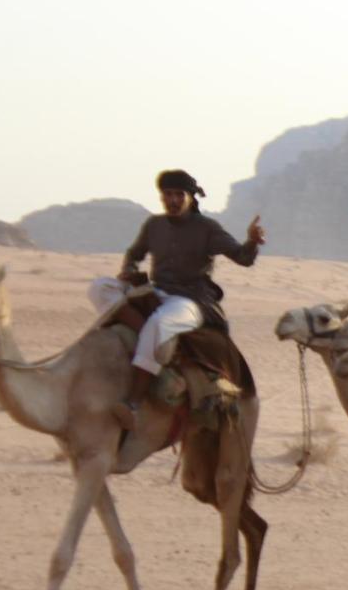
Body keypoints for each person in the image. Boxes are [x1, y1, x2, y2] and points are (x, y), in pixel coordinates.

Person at [88, 169, 265, 430]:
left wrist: (251, 242)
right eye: (167, 195)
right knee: (99, 287)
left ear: (191, 198)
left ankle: (133, 404)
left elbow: (243, 258)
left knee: (159, 323)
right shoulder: (154, 225)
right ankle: (143, 331)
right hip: (157, 291)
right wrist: (129, 269)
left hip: (190, 302)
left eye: (178, 195)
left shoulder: (207, 228)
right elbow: (134, 253)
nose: (171, 200)